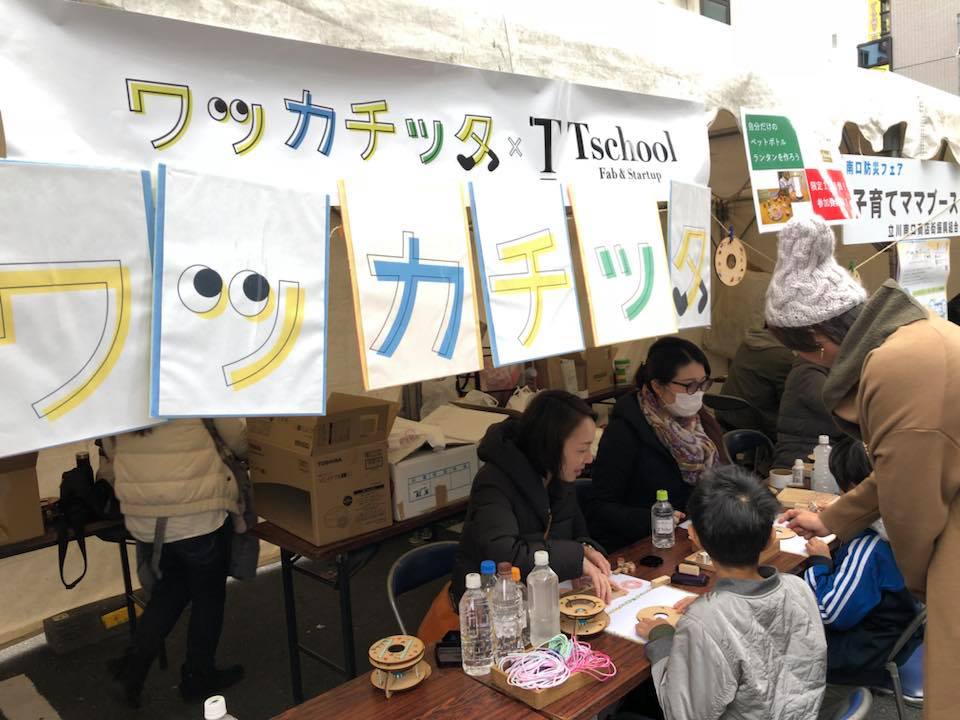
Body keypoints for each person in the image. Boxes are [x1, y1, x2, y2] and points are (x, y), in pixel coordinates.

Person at [767, 216, 960, 719]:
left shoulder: (896, 366)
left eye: (802, 353)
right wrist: (833, 520)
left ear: (819, 338)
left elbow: (911, 507)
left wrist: (921, 584)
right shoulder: (917, 335)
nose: (813, 365)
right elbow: (902, 469)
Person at [635, 465, 826, 720]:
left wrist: (662, 638)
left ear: (694, 536)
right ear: (772, 536)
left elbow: (683, 713)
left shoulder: (705, 620)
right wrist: (713, 608)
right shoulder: (799, 588)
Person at [105, 420, 246, 708]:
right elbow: (236, 437)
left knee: (171, 590)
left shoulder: (118, 397)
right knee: (208, 598)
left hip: (145, 514)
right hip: (195, 511)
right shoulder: (189, 390)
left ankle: (133, 670)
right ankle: (198, 675)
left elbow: (110, 448)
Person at [587, 337, 726, 551]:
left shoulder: (699, 420)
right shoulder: (625, 430)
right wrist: (654, 518)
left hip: (696, 533)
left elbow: (723, 474)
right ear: (658, 386)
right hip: (644, 544)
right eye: (689, 385)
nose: (697, 393)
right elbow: (601, 506)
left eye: (703, 384)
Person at [804, 437, 923, 687]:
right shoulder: (904, 524)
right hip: (897, 635)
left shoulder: (870, 546)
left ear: (853, 488)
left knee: (781, 633)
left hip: (864, 654)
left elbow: (829, 613)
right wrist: (841, 515)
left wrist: (819, 562)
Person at [714, 320, 794, 439]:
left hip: (728, 415)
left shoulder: (749, 342)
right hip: (756, 425)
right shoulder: (781, 355)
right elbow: (791, 402)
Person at [770, 359, 842, 469]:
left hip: (812, 455)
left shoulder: (812, 372)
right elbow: (844, 416)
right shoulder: (809, 375)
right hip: (801, 460)